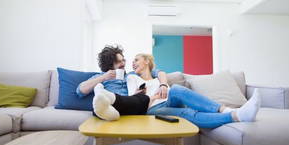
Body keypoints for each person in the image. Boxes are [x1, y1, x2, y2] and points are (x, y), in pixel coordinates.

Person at [92, 53, 261, 129]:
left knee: (178, 89)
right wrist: (151, 97)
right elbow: (133, 101)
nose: (132, 63)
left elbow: (162, 73)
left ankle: (228, 109)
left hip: (166, 99)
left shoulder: (157, 74)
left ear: (146, 61)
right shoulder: (129, 77)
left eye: (136, 60)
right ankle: (236, 116)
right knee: (188, 114)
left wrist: (164, 85)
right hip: (151, 108)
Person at [77, 45, 169, 118]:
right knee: (99, 106)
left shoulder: (132, 75)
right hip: (112, 105)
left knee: (143, 99)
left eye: (123, 60)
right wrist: (104, 77)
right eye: (119, 62)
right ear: (109, 64)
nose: (123, 64)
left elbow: (159, 73)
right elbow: (80, 90)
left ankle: (108, 101)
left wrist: (163, 85)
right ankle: (110, 108)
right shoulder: (101, 76)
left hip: (130, 105)